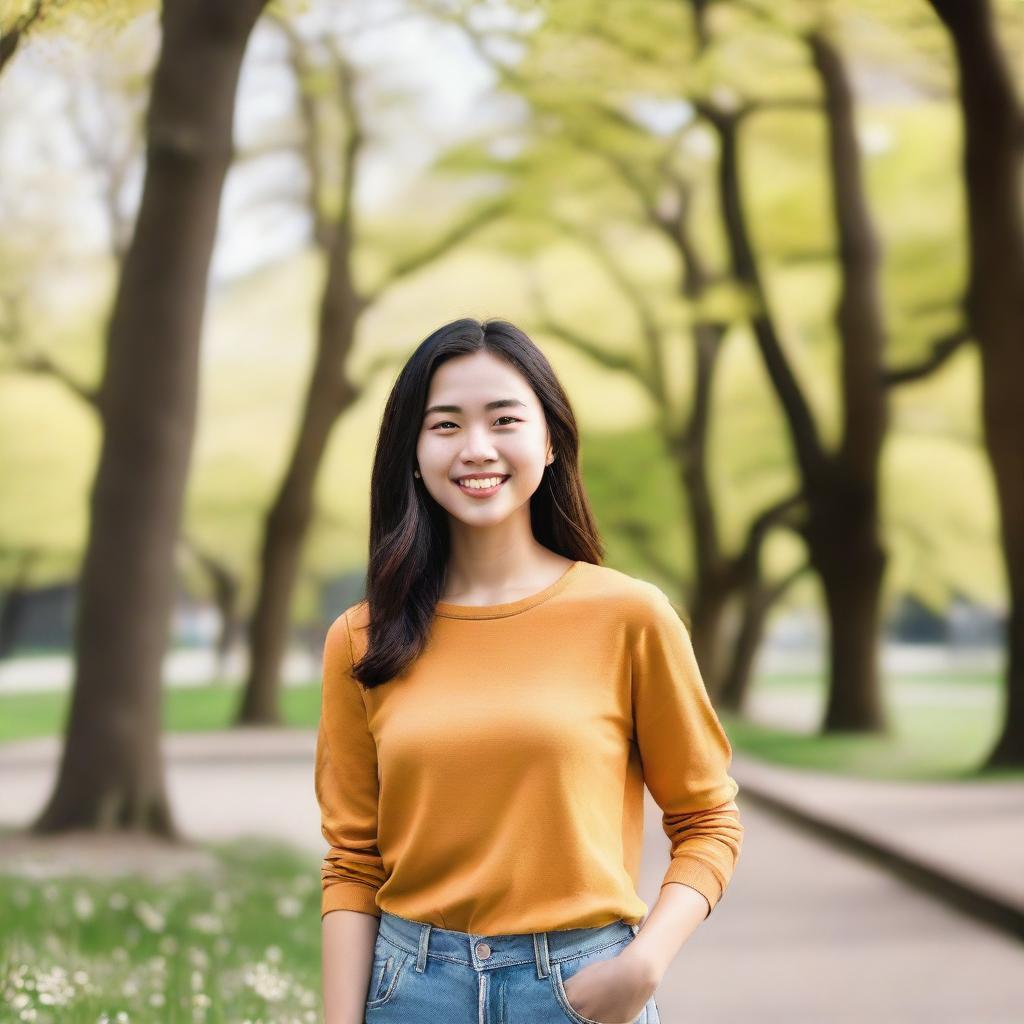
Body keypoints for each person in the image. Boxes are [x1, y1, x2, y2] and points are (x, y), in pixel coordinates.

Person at [317, 317, 743, 1024]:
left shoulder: (630, 616)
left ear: (549, 442)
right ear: (413, 453)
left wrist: (642, 964)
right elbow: (352, 861)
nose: (476, 448)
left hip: (582, 989)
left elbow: (708, 820)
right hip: (409, 992)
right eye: (445, 425)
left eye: (504, 419)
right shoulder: (363, 638)